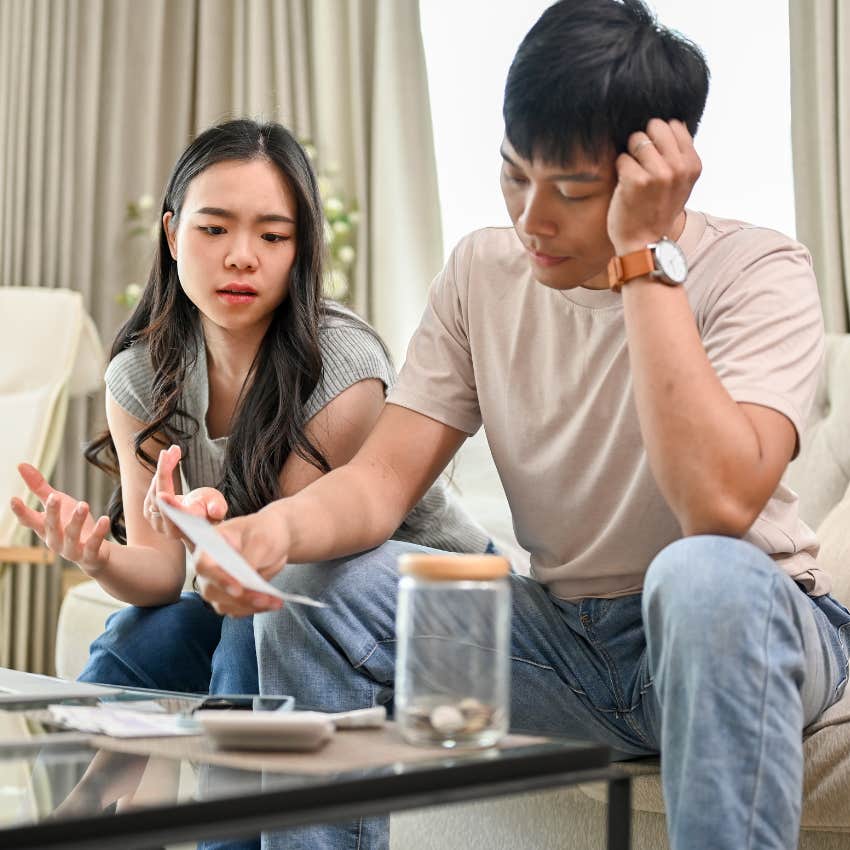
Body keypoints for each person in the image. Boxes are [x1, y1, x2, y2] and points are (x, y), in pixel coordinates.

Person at [178, 3, 850, 850]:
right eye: (512, 173)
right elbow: (382, 481)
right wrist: (270, 532)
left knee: (699, 575)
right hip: (563, 642)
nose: (532, 217)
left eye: (571, 190)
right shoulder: (482, 273)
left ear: (660, 176)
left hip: (744, 623)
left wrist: (643, 258)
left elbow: (717, 508)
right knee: (314, 591)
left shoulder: (759, 270)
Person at [10, 118, 491, 700]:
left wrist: (208, 532)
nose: (241, 257)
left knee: (252, 629)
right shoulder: (142, 376)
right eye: (213, 228)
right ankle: (83, 793)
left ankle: (238, 794)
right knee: (132, 640)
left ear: (302, 249)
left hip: (426, 597)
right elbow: (161, 575)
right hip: (282, 593)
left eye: (272, 236)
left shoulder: (341, 365)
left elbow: (283, 557)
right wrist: (97, 558)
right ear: (171, 233)